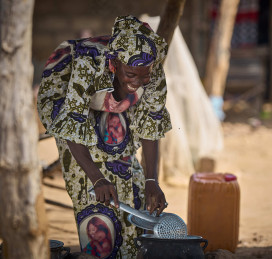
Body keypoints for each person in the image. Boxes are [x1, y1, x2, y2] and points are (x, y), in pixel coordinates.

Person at [37, 15, 171, 258]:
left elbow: (151, 125)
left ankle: (129, 250)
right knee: (91, 192)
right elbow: (72, 125)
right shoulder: (87, 66)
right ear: (115, 65)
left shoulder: (151, 66)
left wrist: (153, 180)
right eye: (132, 74)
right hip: (66, 96)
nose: (140, 81)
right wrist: (97, 178)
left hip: (113, 98)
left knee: (128, 170)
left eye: (145, 75)